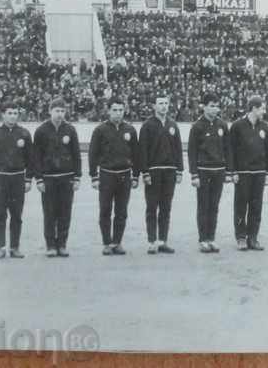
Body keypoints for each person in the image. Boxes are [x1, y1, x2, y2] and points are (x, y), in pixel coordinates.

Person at [88, 98, 139, 256]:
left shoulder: (130, 130)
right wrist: (93, 176)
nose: (118, 113)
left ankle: (117, 242)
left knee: (121, 211)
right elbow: (93, 154)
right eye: (115, 110)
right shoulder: (100, 130)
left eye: (121, 110)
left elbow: (136, 154)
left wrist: (135, 175)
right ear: (108, 111)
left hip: (125, 175)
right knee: (105, 209)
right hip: (107, 175)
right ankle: (106, 243)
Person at [0, 101, 34, 259]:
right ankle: (0, 247)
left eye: (15, 113)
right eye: (10, 113)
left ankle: (14, 247)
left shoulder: (24, 133)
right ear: (3, 114)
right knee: (0, 214)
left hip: (18, 179)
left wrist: (28, 179)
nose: (13, 116)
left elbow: (30, 159)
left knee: (17, 215)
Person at [33, 97, 81, 257]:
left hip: (66, 177)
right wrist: (39, 178)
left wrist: (77, 177)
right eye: (57, 111)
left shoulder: (70, 130)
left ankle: (62, 244)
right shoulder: (41, 131)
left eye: (62, 111)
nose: (60, 114)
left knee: (65, 212)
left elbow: (76, 155)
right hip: (48, 178)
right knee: (49, 213)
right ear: (50, 111)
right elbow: (36, 157)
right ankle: (50, 245)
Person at [138, 93, 183, 255]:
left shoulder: (173, 125)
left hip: (170, 171)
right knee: (152, 207)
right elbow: (142, 150)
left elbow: (178, 149)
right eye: (160, 103)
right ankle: (152, 241)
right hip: (154, 171)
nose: (163, 106)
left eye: (166, 103)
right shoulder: (148, 125)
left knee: (166, 207)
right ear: (154, 106)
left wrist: (180, 170)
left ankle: (163, 240)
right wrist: (145, 172)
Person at [188, 92, 232, 253]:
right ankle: (203, 239)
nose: (215, 109)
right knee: (203, 206)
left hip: (219, 171)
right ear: (204, 107)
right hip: (203, 171)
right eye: (211, 106)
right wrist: (194, 174)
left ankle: (211, 238)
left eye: (216, 106)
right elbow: (192, 152)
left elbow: (227, 149)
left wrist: (228, 171)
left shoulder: (222, 125)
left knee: (214, 206)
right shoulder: (197, 126)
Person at [228, 95, 268, 251]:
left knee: (256, 206)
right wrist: (232, 171)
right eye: (262, 109)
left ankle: (253, 238)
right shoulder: (237, 126)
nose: (264, 112)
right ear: (254, 108)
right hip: (243, 172)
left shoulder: (265, 127)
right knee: (241, 205)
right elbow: (231, 150)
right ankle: (241, 237)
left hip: (259, 172)